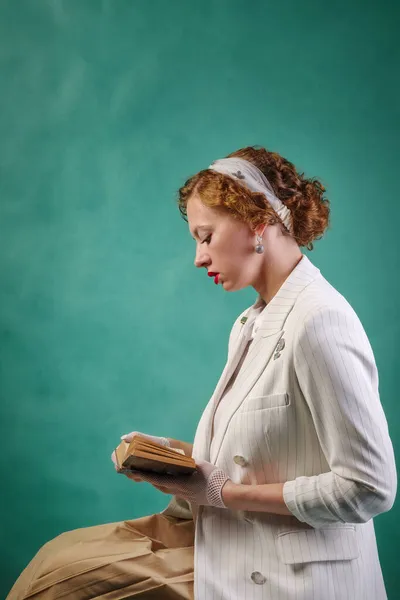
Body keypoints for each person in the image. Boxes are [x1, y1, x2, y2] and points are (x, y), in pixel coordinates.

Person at [7, 146, 397, 600]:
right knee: (55, 566)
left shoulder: (318, 321)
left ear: (256, 221)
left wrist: (223, 492)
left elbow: (368, 487)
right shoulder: (252, 323)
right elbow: (271, 453)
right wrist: (180, 461)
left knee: (60, 587)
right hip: (235, 549)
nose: (198, 257)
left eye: (205, 236)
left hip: (292, 579)